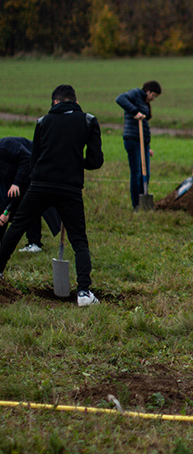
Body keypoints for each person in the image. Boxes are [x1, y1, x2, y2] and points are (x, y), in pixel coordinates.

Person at [0, 85, 104, 305]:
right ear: (75, 102)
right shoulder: (88, 121)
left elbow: (34, 159)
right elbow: (96, 161)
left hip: (40, 186)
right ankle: (84, 292)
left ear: (55, 102)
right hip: (70, 189)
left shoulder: (42, 122)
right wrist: (76, 163)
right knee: (79, 240)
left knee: (17, 226)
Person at [0, 136, 60, 252]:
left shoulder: (6, 145)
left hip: (37, 171)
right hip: (19, 178)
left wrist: (17, 183)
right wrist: (5, 210)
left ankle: (34, 243)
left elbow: (27, 158)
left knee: (30, 204)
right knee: (4, 210)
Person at [115, 80, 162, 210]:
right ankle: (136, 204)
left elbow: (145, 124)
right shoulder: (135, 94)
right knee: (136, 173)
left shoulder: (146, 104)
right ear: (148, 91)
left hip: (143, 142)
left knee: (145, 173)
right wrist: (135, 111)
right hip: (132, 139)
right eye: (154, 95)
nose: (154, 99)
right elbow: (120, 99)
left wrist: (148, 146)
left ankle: (143, 202)